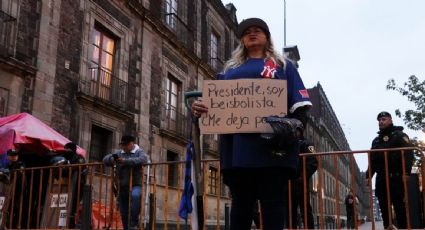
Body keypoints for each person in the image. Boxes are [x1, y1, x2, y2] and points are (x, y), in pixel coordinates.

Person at [191, 18, 312, 230]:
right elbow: (216, 105)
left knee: (273, 205)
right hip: (238, 149)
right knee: (241, 205)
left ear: (267, 37)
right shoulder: (228, 71)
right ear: (242, 40)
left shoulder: (284, 66)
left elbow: (300, 107)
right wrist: (200, 108)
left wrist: (296, 126)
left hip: (273, 148)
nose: (252, 34)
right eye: (247, 32)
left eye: (257, 30)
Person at [365, 111, 414, 229]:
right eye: (379, 120)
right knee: (385, 211)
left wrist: (406, 172)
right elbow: (373, 160)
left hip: (396, 178)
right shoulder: (376, 140)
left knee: (400, 209)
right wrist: (368, 176)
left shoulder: (399, 135)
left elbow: (408, 153)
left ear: (390, 120)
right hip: (381, 179)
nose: (381, 122)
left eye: (384, 119)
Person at [103, 135, 149, 230]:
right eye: (122, 145)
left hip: (136, 183)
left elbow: (143, 159)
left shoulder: (139, 151)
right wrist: (112, 159)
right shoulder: (119, 152)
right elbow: (105, 159)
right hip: (123, 185)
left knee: (136, 197)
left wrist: (125, 161)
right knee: (123, 211)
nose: (123, 147)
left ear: (132, 144)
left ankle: (134, 222)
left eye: (125, 145)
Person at [289, 128, 317, 229]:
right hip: (288, 182)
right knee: (290, 210)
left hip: (301, 182)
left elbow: (313, 162)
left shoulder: (307, 143)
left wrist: (303, 176)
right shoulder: (287, 143)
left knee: (305, 209)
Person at [63, 142, 86, 228]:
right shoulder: (65, 157)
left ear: (71, 149)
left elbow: (78, 168)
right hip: (67, 186)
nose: (65, 150)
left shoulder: (79, 158)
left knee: (73, 206)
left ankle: (71, 225)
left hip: (77, 186)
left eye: (67, 149)